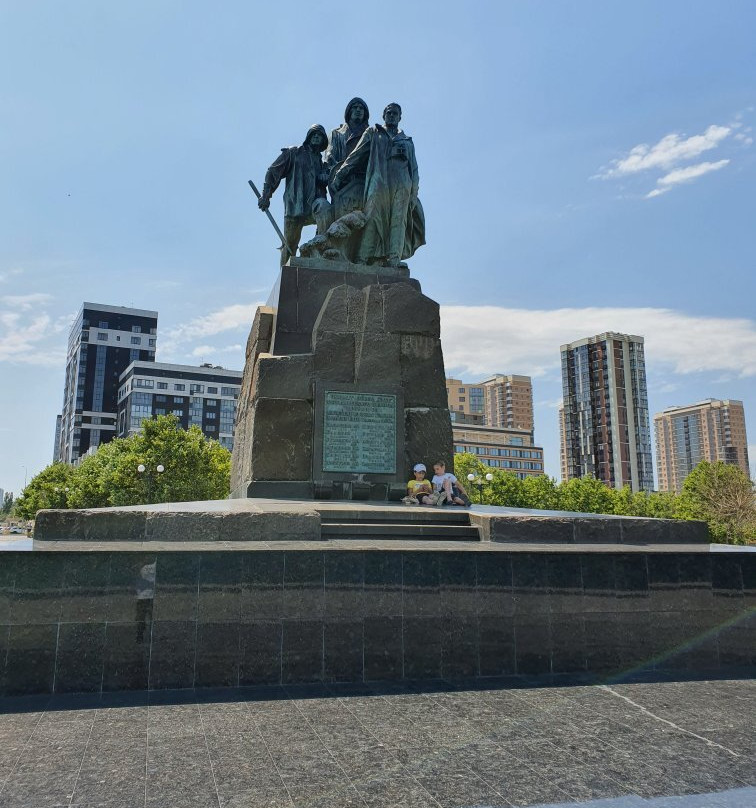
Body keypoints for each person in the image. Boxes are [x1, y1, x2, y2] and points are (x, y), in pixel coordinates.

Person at [331, 102, 425, 267]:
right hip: (378, 183)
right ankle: (362, 259)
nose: (391, 115)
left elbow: (414, 171)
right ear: (383, 115)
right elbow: (356, 155)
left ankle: (394, 260)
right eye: (388, 113)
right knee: (372, 218)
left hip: (402, 186)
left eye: (395, 113)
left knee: (398, 221)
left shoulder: (407, 141)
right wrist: (340, 175)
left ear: (400, 117)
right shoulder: (373, 132)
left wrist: (413, 194)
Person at [258, 124, 330, 265]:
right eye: (314, 134)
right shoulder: (293, 153)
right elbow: (273, 172)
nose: (317, 136)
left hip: (314, 203)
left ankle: (320, 256)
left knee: (324, 208)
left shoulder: (323, 163)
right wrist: (266, 195)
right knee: (289, 245)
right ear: (308, 136)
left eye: (320, 135)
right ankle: (284, 273)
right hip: (295, 204)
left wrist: (325, 177)